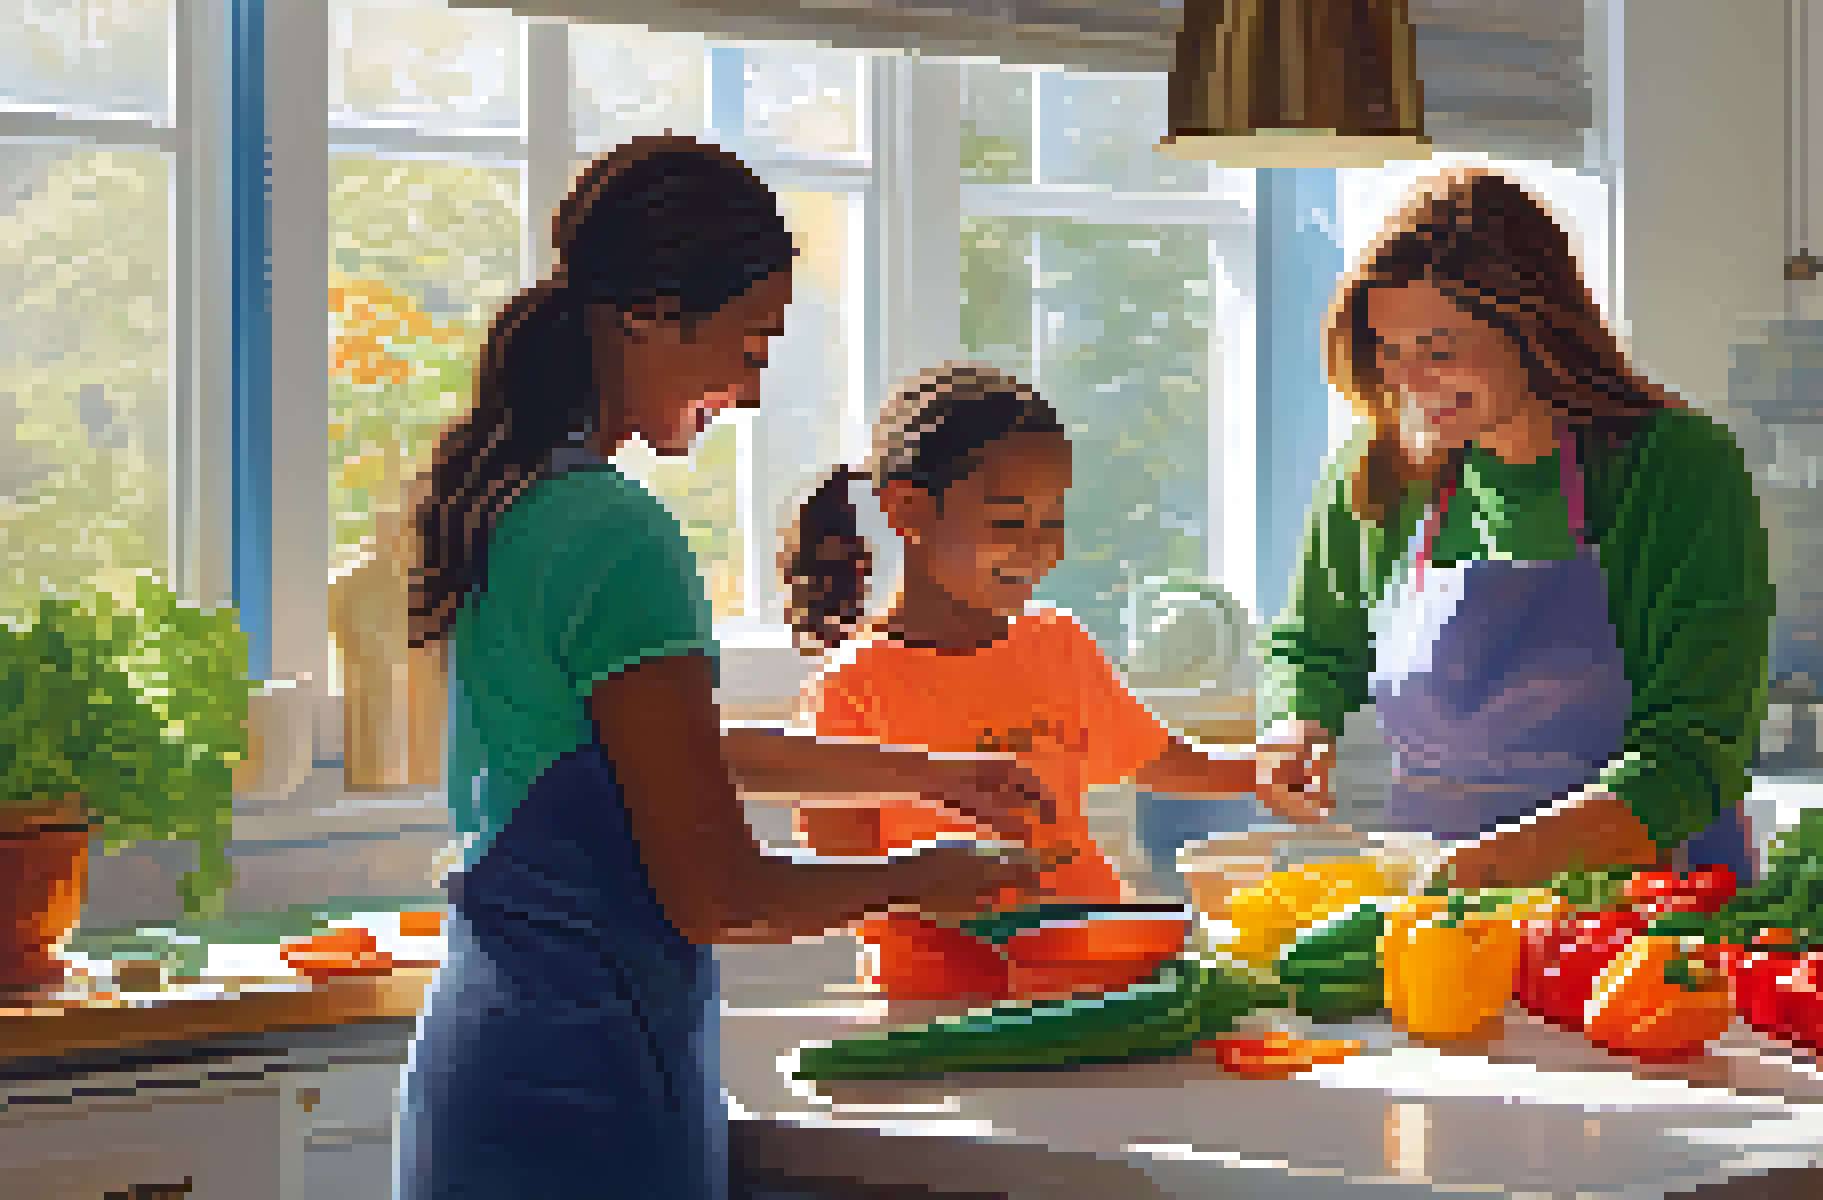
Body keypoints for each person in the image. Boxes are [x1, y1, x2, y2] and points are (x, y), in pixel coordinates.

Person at [394, 135, 1047, 1200]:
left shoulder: (515, 501)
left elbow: (649, 761)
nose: (748, 392)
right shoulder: (618, 536)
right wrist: (922, 882)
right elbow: (721, 896)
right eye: (748, 344)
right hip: (587, 1087)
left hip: (486, 1066)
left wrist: (930, 776)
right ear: (650, 311)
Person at [1255, 166, 1774, 892]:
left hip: (1651, 911)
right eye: (1390, 350)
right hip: (1439, 906)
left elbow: (1694, 747)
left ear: (1532, 325)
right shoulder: (1380, 470)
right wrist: (1297, 725)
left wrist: (1485, 869)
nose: (1410, 382)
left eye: (1440, 348)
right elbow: (1313, 644)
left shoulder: (1675, 469)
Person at [774, 362, 1332, 991]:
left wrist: (1254, 772)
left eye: (1054, 522)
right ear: (908, 510)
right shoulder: (852, 689)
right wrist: (926, 888)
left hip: (1096, 970)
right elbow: (836, 873)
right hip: (943, 994)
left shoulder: (1057, 643)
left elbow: (1153, 758)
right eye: (1008, 524)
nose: (1039, 548)